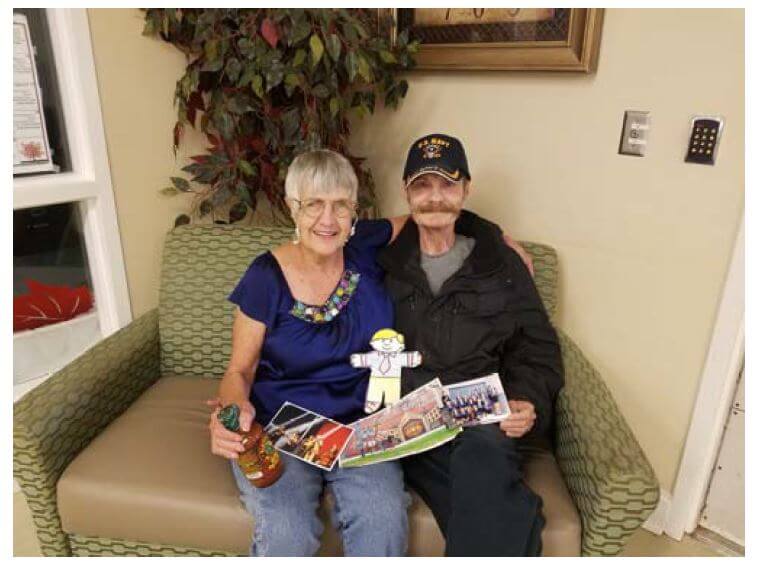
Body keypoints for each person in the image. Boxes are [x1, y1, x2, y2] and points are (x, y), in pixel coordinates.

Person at [208, 149, 411, 557]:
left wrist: (498, 239)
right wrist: (230, 417)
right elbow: (239, 371)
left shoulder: (364, 248)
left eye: (340, 205)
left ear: (355, 211)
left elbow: (428, 211)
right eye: (313, 204)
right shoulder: (265, 276)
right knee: (286, 532)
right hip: (283, 428)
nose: (327, 219)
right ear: (291, 208)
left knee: (383, 519)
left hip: (361, 428)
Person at [377, 133, 565, 556]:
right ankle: (516, 515)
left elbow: (537, 348)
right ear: (407, 192)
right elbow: (329, 232)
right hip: (406, 416)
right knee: (502, 506)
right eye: (423, 186)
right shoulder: (380, 257)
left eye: (448, 184)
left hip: (477, 415)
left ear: (466, 189)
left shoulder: (500, 263)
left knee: (484, 455)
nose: (435, 198)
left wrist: (524, 399)